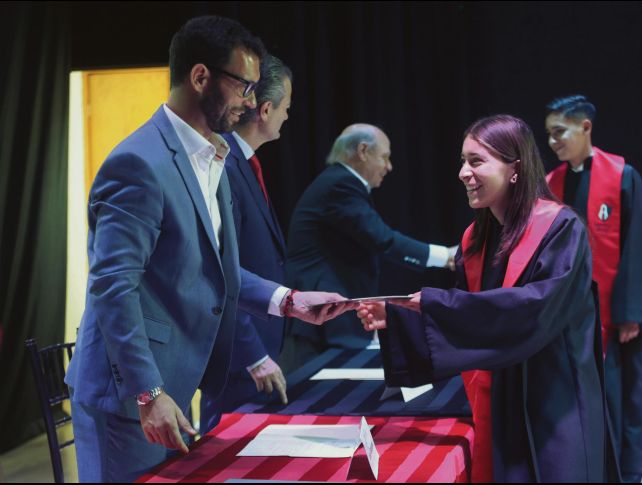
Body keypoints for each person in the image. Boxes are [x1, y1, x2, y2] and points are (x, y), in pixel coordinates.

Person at [64, 16, 350, 482]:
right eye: (244, 87)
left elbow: (217, 269)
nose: (251, 102)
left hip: (173, 385)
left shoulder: (212, 155)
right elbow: (113, 287)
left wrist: (289, 301)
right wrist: (148, 393)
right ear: (200, 77)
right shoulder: (138, 163)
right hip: (128, 397)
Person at [357, 115, 612, 482]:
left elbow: (534, 311)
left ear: (515, 169)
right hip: (500, 397)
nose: (463, 172)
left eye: (476, 161)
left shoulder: (560, 229)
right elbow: (471, 320)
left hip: (553, 400)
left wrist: (432, 303)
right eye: (463, 161)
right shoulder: (476, 240)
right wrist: (398, 316)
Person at [544, 95, 642, 483]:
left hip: (619, 321)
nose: (552, 142)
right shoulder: (552, 184)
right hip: (574, 320)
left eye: (559, 132)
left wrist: (633, 312)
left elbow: (640, 246)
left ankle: (627, 476)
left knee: (626, 400)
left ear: (585, 127)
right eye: (548, 134)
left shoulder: (622, 177)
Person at [281, 123, 457, 371]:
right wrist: (446, 256)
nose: (389, 166)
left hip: (326, 317)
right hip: (319, 320)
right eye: (384, 157)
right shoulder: (340, 184)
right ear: (363, 151)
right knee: (312, 391)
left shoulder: (338, 182)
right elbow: (383, 239)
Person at [200, 54, 294, 434]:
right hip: (239, 357)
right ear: (266, 110)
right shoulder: (222, 162)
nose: (288, 116)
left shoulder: (243, 160)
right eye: (286, 107)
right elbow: (219, 270)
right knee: (224, 453)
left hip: (258, 350)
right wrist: (253, 354)